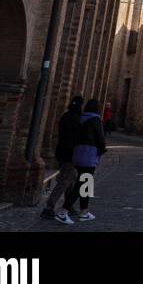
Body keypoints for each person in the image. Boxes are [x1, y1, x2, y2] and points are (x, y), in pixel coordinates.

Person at [40, 95, 83, 226]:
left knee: (71, 178)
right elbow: (77, 136)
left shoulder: (66, 116)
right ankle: (49, 207)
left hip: (61, 151)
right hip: (69, 153)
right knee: (66, 180)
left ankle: (68, 205)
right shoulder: (76, 119)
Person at [65, 99, 108, 222]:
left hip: (78, 153)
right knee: (82, 184)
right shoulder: (95, 120)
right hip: (89, 154)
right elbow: (100, 138)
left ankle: (84, 211)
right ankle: (63, 211)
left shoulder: (80, 118)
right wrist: (102, 150)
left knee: (86, 183)